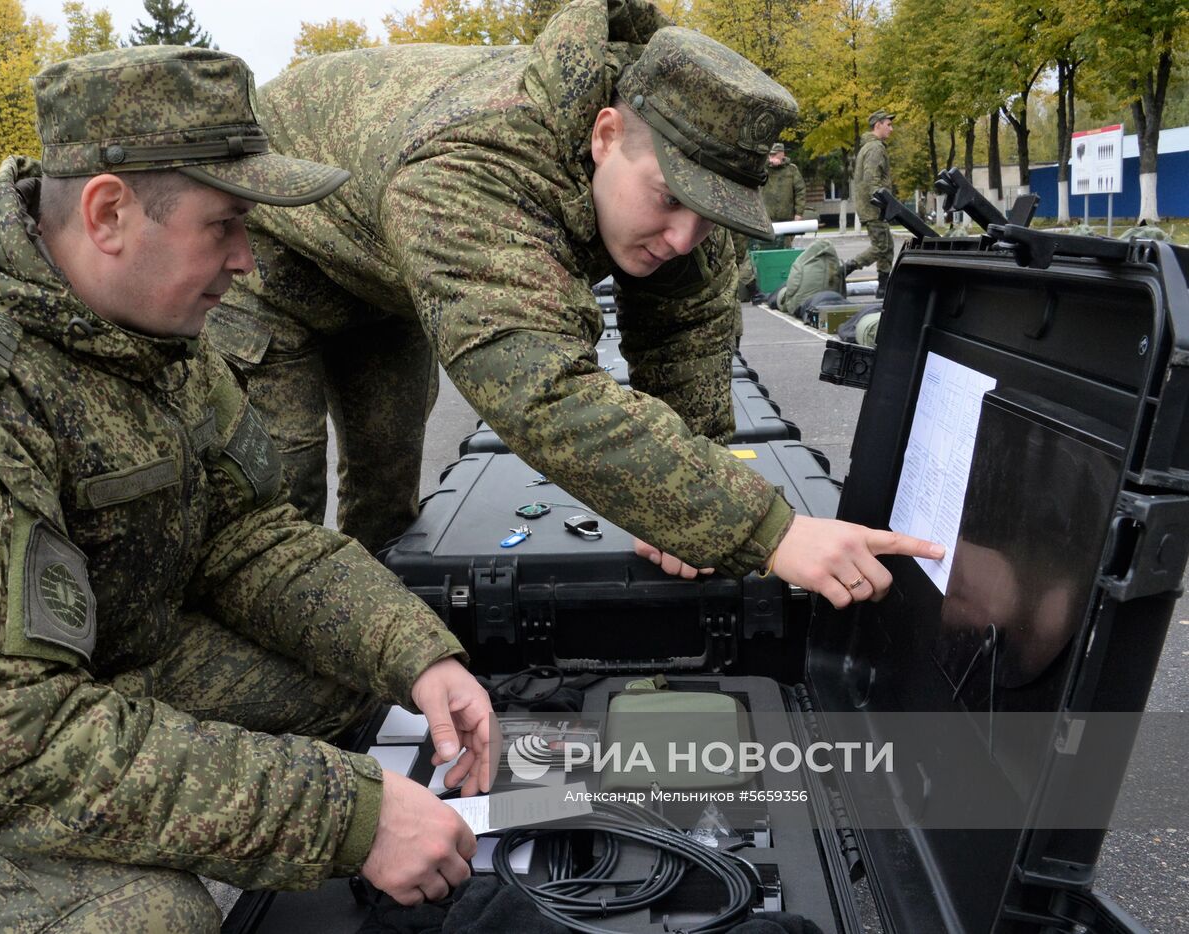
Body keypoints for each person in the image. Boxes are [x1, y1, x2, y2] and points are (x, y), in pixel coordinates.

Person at [0, 47, 497, 932]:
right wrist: (345, 816)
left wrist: (414, 653)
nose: (249, 261)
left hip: (102, 659)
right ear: (109, 211)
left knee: (357, 692)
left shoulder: (158, 343)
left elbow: (247, 537)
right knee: (142, 916)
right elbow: (4, 744)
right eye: (227, 224)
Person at [214, 0, 942, 609]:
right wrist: (768, 529)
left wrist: (688, 511)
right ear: (605, 136)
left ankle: (385, 660)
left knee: (384, 499)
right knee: (280, 506)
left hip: (385, 264)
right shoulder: (474, 169)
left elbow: (686, 333)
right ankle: (295, 735)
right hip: (277, 254)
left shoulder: (684, 170)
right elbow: (540, 389)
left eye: (710, 213)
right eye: (671, 201)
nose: (685, 236)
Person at [846, 109, 896, 297]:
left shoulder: (869, 147)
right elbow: (871, 179)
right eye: (888, 125)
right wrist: (883, 202)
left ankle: (883, 288)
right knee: (881, 247)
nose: (891, 129)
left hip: (873, 207)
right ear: (878, 125)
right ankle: (847, 268)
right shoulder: (875, 148)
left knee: (887, 246)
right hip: (874, 208)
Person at [762, 142, 807, 248]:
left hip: (787, 218)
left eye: (774, 154)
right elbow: (754, 168)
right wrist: (768, 162)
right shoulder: (764, 168)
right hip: (767, 218)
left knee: (785, 248)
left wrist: (799, 214)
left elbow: (800, 191)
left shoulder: (792, 170)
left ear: (782, 154)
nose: (771, 157)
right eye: (770, 155)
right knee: (766, 247)